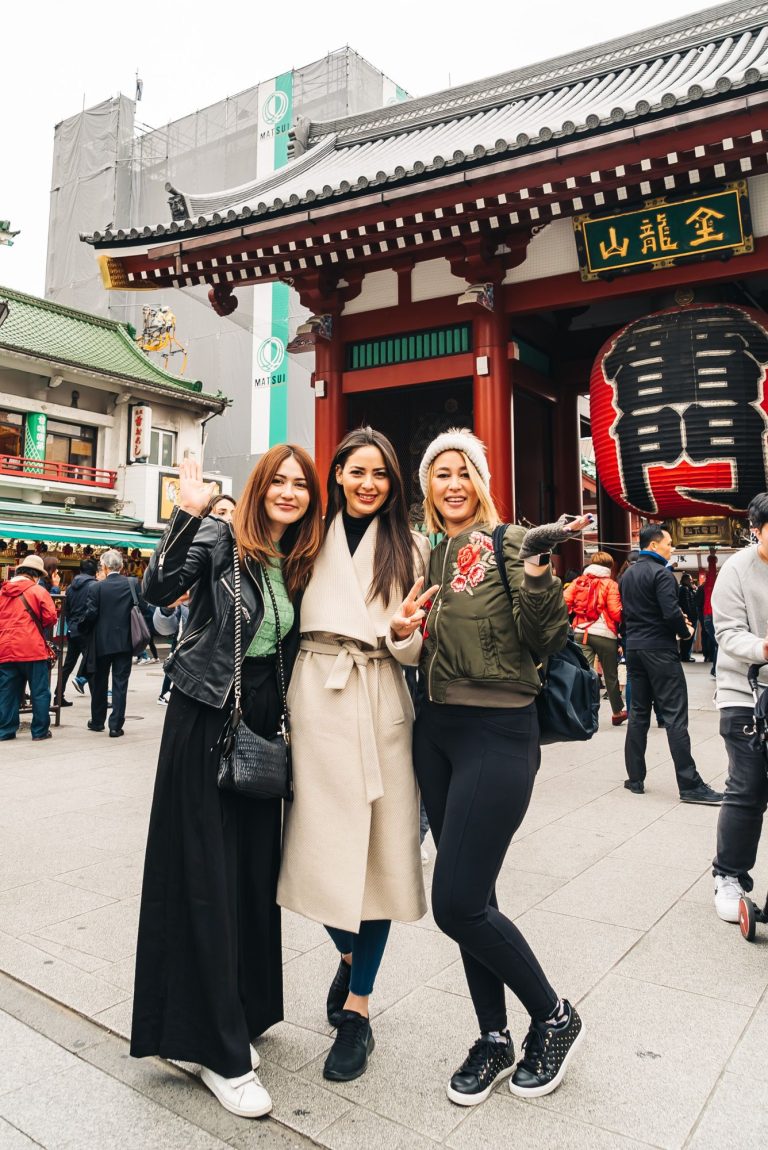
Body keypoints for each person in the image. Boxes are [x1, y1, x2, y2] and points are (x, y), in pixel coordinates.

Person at [391, 428, 588, 1107]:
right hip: (437, 732)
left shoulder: (510, 541)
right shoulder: (428, 552)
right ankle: (494, 1037)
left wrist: (537, 573)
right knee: (479, 897)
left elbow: (547, 636)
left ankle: (555, 1017)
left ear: (478, 478)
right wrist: (401, 631)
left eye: (461, 471)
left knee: (456, 902)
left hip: (500, 731)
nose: (451, 484)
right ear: (426, 486)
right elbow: (417, 643)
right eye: (439, 473)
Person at [131, 448, 322, 1120]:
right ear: (259, 488)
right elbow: (157, 590)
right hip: (205, 715)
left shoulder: (294, 558)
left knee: (246, 874)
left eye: (302, 484)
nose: (290, 492)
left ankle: (223, 1019)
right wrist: (183, 514)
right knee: (204, 876)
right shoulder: (219, 536)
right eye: (280, 481)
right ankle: (218, 1053)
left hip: (260, 723)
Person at [277, 427, 430, 1083]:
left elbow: (417, 648)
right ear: (335, 475)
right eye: (356, 471)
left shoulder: (412, 545)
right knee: (311, 858)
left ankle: (360, 1010)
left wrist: (401, 636)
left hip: (379, 700)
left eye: (381, 474)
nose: (368, 483)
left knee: (378, 865)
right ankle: (348, 957)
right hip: (313, 698)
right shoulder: (305, 539)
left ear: (394, 485)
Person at [621, 523, 723, 804]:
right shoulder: (662, 575)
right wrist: (685, 629)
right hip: (660, 649)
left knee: (639, 712)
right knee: (676, 715)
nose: (671, 548)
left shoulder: (627, 575)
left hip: (635, 649)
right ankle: (689, 784)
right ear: (653, 545)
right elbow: (670, 612)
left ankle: (635, 778)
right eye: (668, 543)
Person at [710, 493, 768, 922]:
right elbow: (727, 632)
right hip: (743, 692)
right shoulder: (737, 569)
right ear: (757, 528)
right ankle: (728, 874)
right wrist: (763, 647)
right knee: (747, 787)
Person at [79, 550, 137, 737]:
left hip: (101, 643)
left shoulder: (96, 588)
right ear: (120, 566)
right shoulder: (133, 584)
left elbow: (90, 614)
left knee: (99, 683)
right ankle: (115, 725)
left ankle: (97, 722)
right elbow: (143, 610)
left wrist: (82, 628)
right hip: (125, 642)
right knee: (120, 683)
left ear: (104, 567)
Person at [0, 554, 57, 741]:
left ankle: (6, 731)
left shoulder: (2, 591)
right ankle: (39, 731)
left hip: (6, 649)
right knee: (39, 691)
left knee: (7, 691)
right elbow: (50, 617)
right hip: (32, 648)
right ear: (36, 575)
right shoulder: (38, 591)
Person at [564, 550, 625, 725]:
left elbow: (564, 603)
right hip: (605, 634)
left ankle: (583, 713)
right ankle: (617, 712)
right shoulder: (610, 584)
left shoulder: (578, 581)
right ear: (609, 567)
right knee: (610, 675)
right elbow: (615, 612)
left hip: (581, 632)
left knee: (585, 673)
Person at [58, 559, 98, 703]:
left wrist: (72, 625)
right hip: (86, 631)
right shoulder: (94, 586)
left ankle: (58, 697)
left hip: (73, 629)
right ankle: (98, 701)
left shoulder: (70, 587)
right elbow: (93, 611)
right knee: (92, 665)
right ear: (95, 571)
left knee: (68, 664)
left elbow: (66, 610)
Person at [699, 554, 720, 676]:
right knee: (719, 644)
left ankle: (715, 669)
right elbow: (712, 574)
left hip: (708, 617)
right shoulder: (712, 585)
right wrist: (712, 558)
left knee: (718, 644)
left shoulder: (708, 587)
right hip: (712, 617)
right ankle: (715, 670)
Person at [677, 572, 698, 663]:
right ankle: (685, 656)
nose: (691, 581)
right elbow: (687, 604)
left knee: (687, 638)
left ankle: (685, 655)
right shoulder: (685, 589)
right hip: (690, 617)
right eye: (689, 579)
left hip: (689, 616)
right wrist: (690, 616)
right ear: (685, 580)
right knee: (688, 637)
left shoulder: (685, 589)